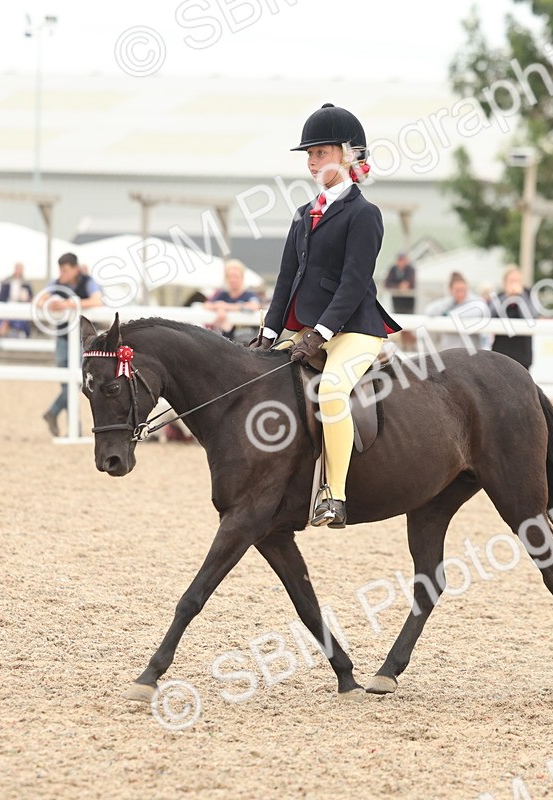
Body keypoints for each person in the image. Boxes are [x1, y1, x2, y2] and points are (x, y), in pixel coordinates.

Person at [248, 103, 401, 529]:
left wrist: (322, 331)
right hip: (305, 328)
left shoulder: (364, 214)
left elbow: (354, 283)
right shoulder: (304, 214)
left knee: (332, 391)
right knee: (255, 376)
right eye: (309, 155)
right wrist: (268, 332)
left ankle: (334, 493)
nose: (312, 162)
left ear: (348, 156)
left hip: (353, 328)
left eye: (321, 153)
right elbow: (286, 280)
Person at [39, 253, 103, 436]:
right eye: (60, 269)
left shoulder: (87, 281)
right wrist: (52, 304)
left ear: (75, 268)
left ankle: (54, 412)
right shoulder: (57, 283)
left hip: (81, 339)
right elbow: (40, 299)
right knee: (67, 383)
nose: (62, 273)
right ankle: (72, 426)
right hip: (63, 338)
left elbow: (97, 300)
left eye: (65, 270)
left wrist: (70, 304)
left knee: (74, 382)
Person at [424, 271, 488, 352]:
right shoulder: (447, 304)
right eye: (457, 290)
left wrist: (447, 316)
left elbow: (480, 310)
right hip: (448, 353)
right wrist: (450, 301)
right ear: (451, 290)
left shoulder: (476, 302)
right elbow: (429, 311)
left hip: (470, 353)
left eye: (463, 290)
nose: (460, 293)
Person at [490, 266, 536, 369]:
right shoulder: (499, 297)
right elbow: (490, 315)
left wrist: (520, 297)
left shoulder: (528, 296)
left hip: (522, 354)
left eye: (518, 281)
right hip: (500, 353)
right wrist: (507, 297)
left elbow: (531, 317)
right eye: (512, 281)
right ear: (504, 283)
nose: (515, 284)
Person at [204, 259, 261, 341]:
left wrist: (225, 307)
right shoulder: (223, 294)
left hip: (245, 340)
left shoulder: (249, 295)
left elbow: (254, 306)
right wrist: (219, 308)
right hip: (226, 341)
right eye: (230, 276)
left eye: (236, 276)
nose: (233, 280)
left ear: (242, 277)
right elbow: (207, 305)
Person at [0, 262, 32, 338]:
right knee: (4, 318)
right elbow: (0, 298)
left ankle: (14, 332)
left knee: (19, 320)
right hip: (6, 307)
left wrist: (26, 298)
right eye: (17, 269)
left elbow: (31, 299)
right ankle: (3, 332)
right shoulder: (6, 282)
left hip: (21, 308)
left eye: (20, 269)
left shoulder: (26, 284)